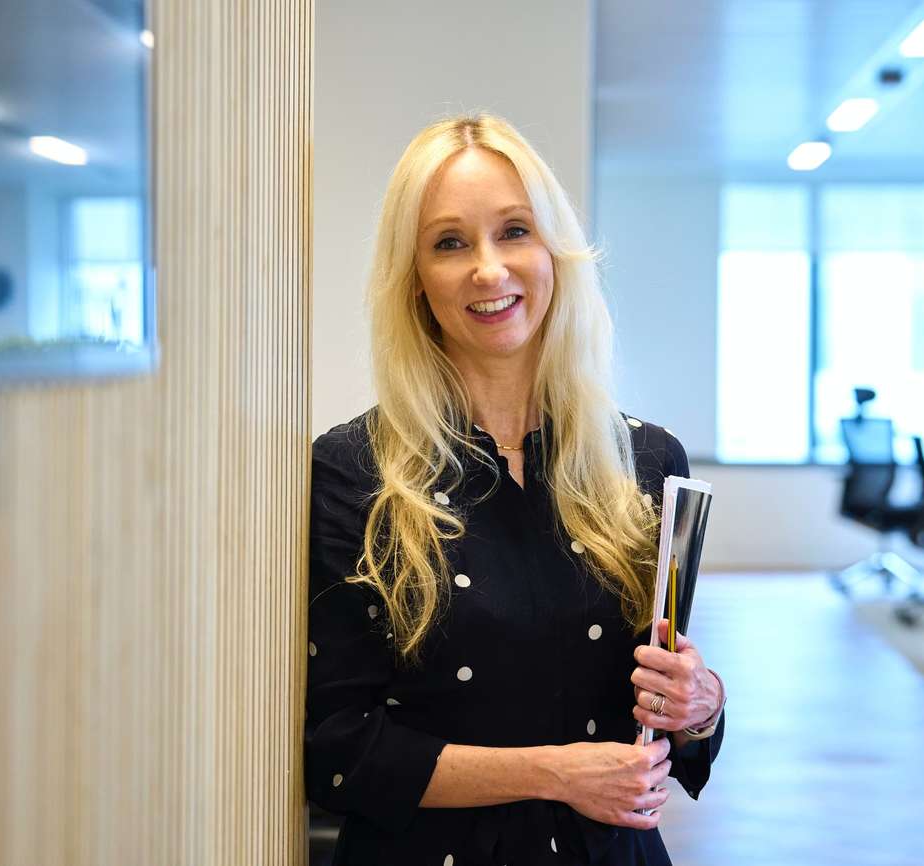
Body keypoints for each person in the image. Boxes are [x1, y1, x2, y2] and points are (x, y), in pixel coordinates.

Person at [305, 114, 726, 865]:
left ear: (556, 255)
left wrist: (700, 706)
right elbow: (337, 746)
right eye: (449, 243)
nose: (489, 271)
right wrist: (555, 773)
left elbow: (667, 730)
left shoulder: (649, 458)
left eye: (514, 231)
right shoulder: (350, 471)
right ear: (414, 281)